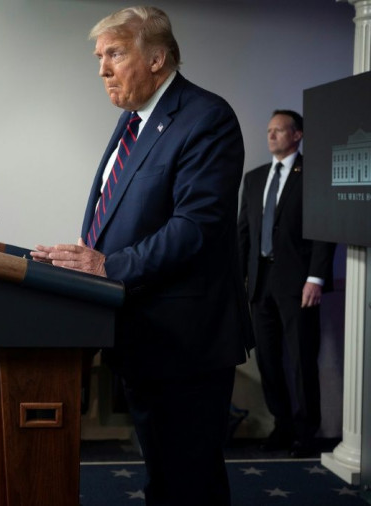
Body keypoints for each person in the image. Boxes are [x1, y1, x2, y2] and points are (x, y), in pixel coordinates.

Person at [31, 6, 253, 505]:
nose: (102, 69)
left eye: (114, 53)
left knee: (189, 481)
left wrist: (107, 266)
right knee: (164, 475)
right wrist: (85, 259)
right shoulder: (135, 121)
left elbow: (197, 227)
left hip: (185, 340)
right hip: (142, 333)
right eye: (99, 57)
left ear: (156, 58)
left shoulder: (205, 117)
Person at [238, 110, 335, 458]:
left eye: (279, 130)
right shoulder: (253, 178)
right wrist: (239, 282)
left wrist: (316, 277)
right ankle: (283, 425)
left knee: (301, 360)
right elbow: (243, 236)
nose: (272, 136)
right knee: (267, 360)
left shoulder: (313, 175)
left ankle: (307, 433)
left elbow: (325, 230)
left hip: (298, 284)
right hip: (260, 285)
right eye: (269, 130)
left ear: (297, 135)